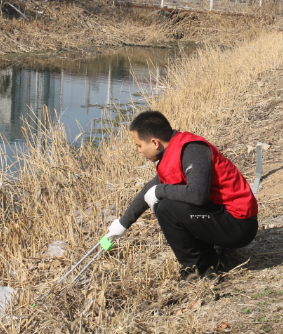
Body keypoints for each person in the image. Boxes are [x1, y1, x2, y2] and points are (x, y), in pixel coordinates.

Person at [104, 110, 258, 279]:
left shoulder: (192, 149)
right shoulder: (173, 152)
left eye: (139, 145)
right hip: (222, 218)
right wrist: (122, 224)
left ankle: (202, 269)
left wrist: (160, 191)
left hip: (239, 225)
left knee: (166, 207)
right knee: (167, 202)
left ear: (155, 142)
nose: (139, 151)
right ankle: (211, 258)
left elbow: (198, 195)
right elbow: (149, 189)